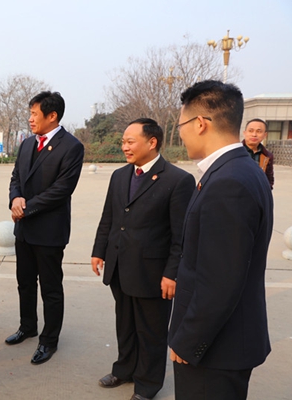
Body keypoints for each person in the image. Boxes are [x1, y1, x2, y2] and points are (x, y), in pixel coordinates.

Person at [168, 80, 273, 400]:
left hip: (214, 350)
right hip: (223, 341)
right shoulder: (240, 169)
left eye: (181, 125)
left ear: (200, 123)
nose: (181, 134)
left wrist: (189, 340)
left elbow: (220, 280)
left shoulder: (229, 182)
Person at [91, 118, 195, 400]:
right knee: (125, 325)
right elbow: (109, 218)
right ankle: (124, 369)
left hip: (153, 273)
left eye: (130, 141)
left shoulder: (177, 180)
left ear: (152, 142)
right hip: (119, 266)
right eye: (123, 142)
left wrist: (172, 273)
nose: (124, 147)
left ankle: (147, 385)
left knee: (151, 332)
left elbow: (181, 235)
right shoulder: (120, 176)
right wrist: (99, 250)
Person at [7, 91, 84, 365]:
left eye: (34, 114)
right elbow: (16, 177)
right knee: (25, 283)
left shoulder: (71, 147)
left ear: (52, 116)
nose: (30, 119)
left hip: (49, 231)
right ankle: (27, 326)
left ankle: (49, 340)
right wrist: (15, 198)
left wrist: (25, 207)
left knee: (50, 289)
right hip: (24, 229)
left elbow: (62, 190)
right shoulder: (27, 144)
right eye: (29, 114)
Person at [242, 118, 274, 189]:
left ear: (265, 135)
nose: (254, 134)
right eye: (250, 131)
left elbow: (269, 179)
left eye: (259, 131)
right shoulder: (234, 152)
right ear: (245, 133)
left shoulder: (267, 156)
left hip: (257, 193)